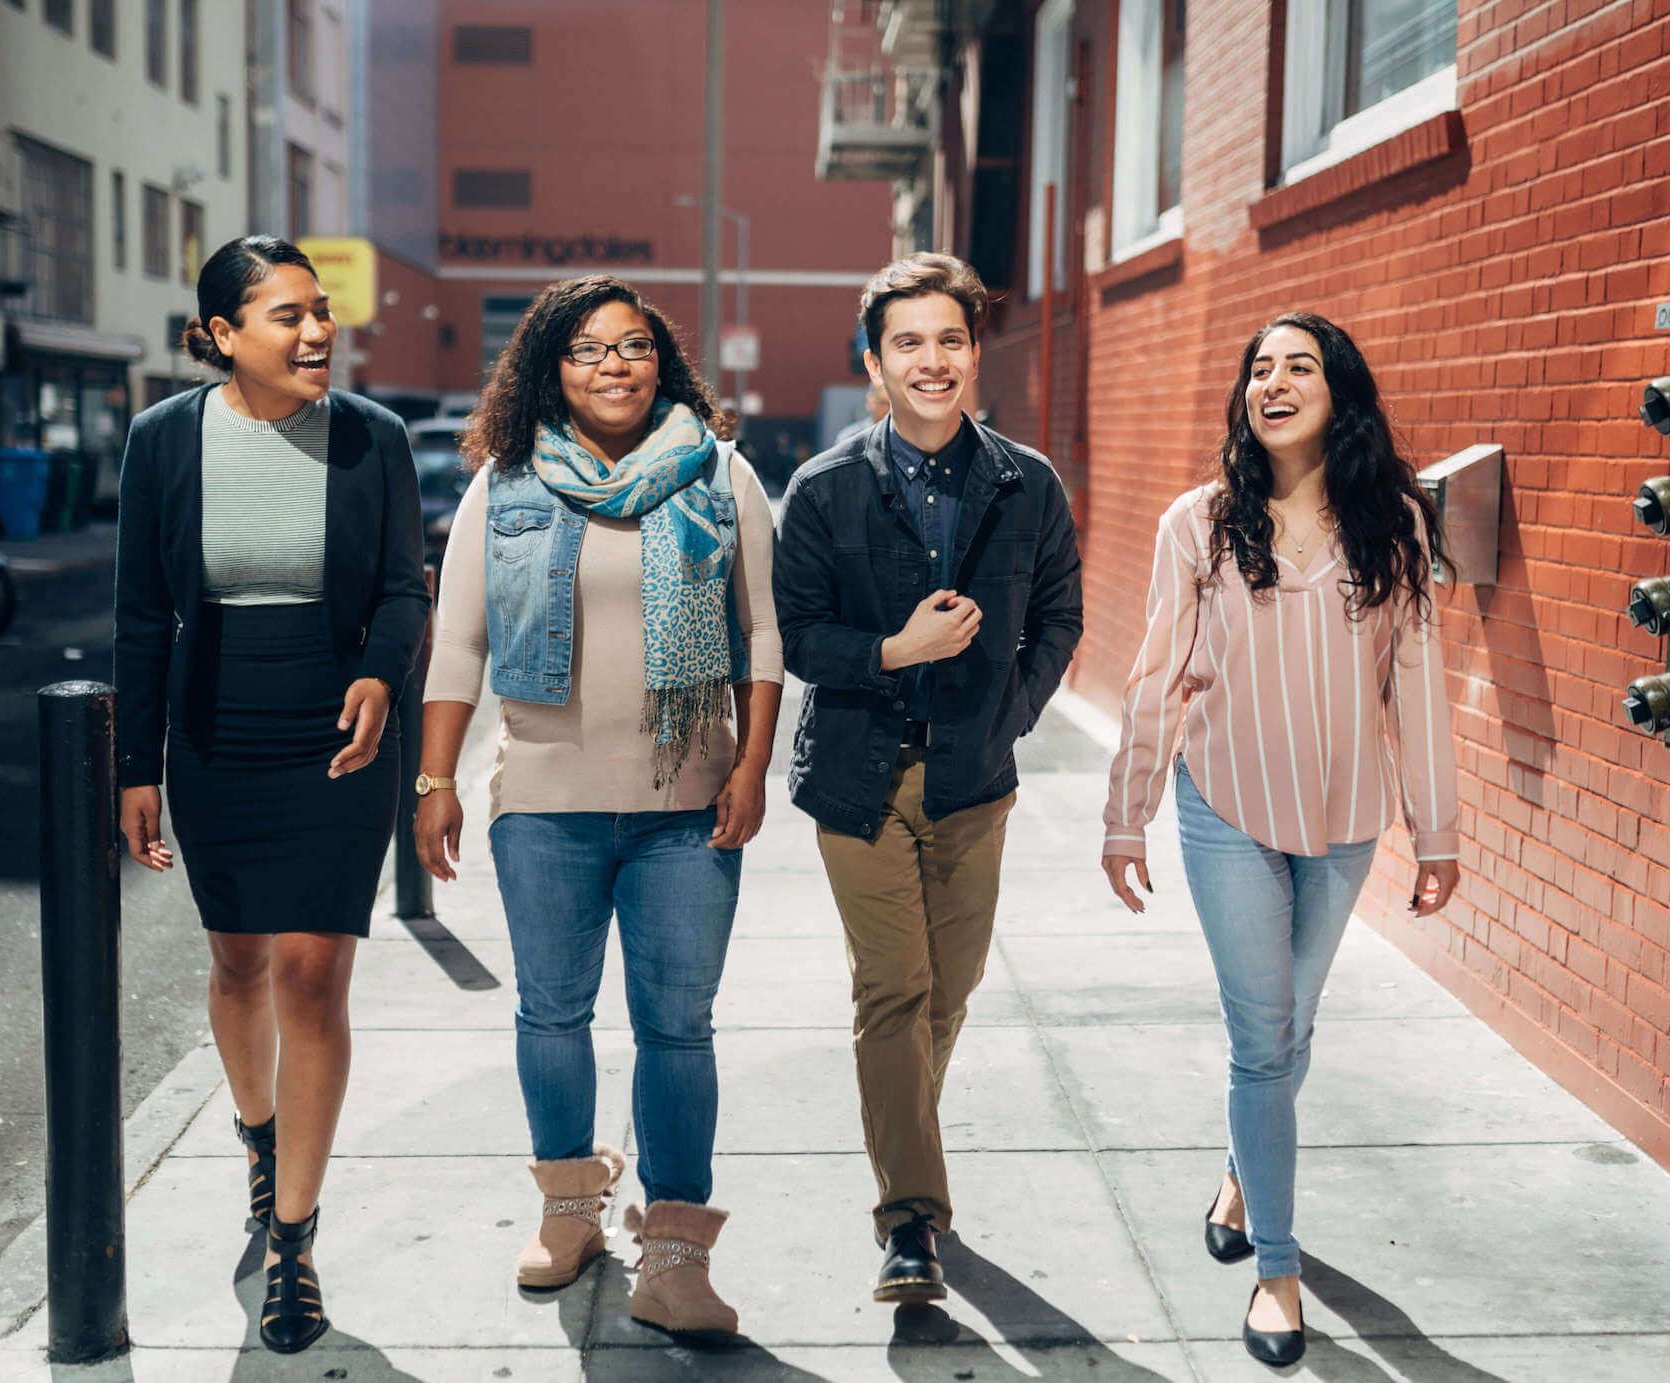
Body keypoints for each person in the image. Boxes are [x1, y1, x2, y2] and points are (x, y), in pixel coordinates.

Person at [413, 274, 781, 1342]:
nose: (611, 364)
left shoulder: (719, 474)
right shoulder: (508, 482)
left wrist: (750, 765)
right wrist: (435, 781)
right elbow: (458, 642)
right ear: (549, 369)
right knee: (552, 1013)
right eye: (585, 349)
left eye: (630, 346)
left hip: (686, 803)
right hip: (544, 802)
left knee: (678, 1026)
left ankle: (672, 1253)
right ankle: (570, 1210)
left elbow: (760, 634)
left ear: (660, 360)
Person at [1100, 311, 1461, 1368]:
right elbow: (1156, 674)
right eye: (1257, 367)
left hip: (1345, 819)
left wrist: (1433, 829)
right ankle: (1275, 1269)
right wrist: (1129, 811)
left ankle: (1236, 1168)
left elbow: (1417, 680)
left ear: (1337, 394)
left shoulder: (1392, 519)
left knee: (1291, 1027)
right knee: (1262, 1039)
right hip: (1226, 810)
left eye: (1297, 366)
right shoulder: (1200, 522)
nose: (1273, 381)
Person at [113, 235, 429, 1354]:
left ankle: (292, 1237)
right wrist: (134, 767)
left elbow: (402, 585)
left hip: (335, 729)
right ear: (220, 336)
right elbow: (143, 614)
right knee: (239, 957)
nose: (314, 333)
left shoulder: (372, 438)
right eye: (286, 316)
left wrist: (378, 673)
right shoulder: (163, 441)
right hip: (214, 727)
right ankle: (259, 1138)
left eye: (320, 312)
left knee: (311, 970)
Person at [773, 252, 1083, 1304]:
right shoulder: (822, 489)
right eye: (907, 341)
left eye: (948, 338)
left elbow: (1057, 618)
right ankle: (910, 1222)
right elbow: (800, 637)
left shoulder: (1024, 482)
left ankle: (900, 1135)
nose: (931, 358)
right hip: (858, 781)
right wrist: (893, 654)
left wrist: (1007, 715)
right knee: (893, 991)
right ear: (874, 362)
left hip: (971, 778)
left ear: (972, 352)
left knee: (948, 994)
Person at [831, 378, 891, 449]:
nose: (888, 409)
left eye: (893, 404)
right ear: (869, 402)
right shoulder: (849, 438)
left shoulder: (902, 439)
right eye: (883, 403)